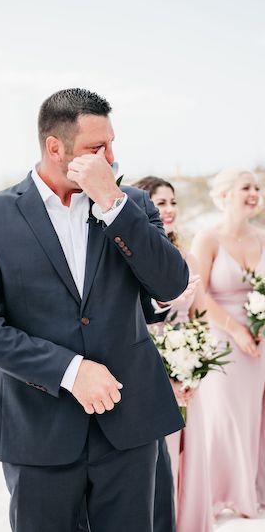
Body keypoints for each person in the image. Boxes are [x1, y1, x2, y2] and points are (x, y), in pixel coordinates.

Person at [0, 88, 189, 532]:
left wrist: (113, 205)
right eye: (96, 148)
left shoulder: (134, 207)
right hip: (39, 430)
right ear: (55, 147)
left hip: (130, 427)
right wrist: (69, 370)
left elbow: (170, 284)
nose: (110, 158)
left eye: (112, 145)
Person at [135, 176, 213, 532]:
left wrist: (195, 367)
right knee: (154, 459)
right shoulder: (133, 253)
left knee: (187, 449)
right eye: (158, 203)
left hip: (185, 360)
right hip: (145, 363)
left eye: (172, 202)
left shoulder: (187, 256)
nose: (167, 210)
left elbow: (199, 318)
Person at [191, 168, 265, 518]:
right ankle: (225, 491)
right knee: (226, 415)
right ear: (224, 196)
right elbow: (198, 294)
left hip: (261, 340)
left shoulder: (262, 237)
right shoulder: (208, 238)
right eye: (245, 187)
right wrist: (235, 329)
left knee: (257, 414)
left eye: (257, 188)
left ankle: (254, 489)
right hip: (223, 338)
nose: (253, 193)